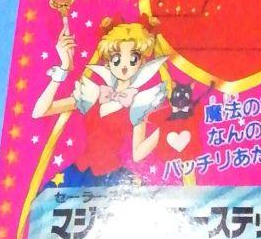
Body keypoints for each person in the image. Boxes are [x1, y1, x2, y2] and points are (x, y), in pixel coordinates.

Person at [32, 16, 167, 186]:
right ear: (108, 63)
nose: (124, 66)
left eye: (133, 59)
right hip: (79, 172)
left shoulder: (137, 104)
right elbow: (40, 111)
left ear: (142, 63)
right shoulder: (94, 95)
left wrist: (165, 129)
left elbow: (138, 153)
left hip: (110, 176)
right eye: (117, 59)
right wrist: (64, 67)